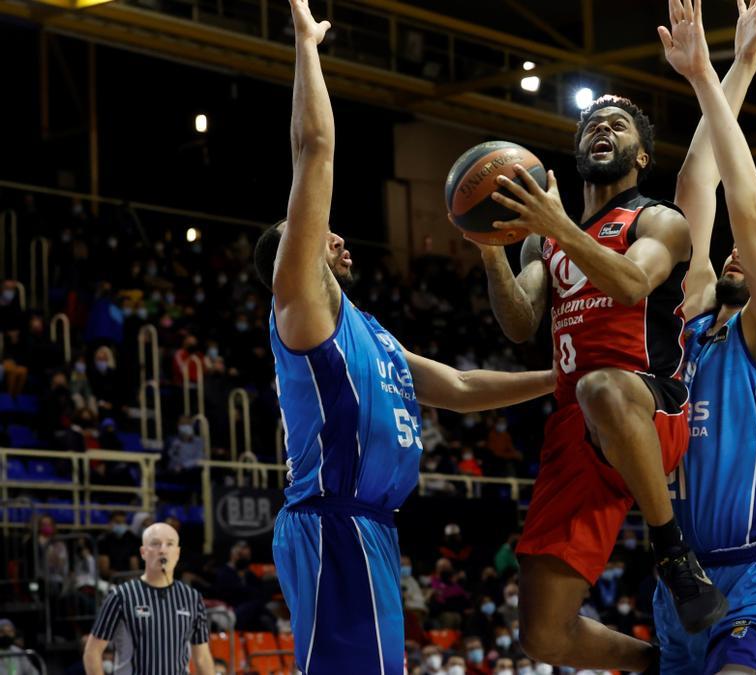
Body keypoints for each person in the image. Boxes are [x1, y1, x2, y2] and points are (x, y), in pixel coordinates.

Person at [254, 2, 555, 672]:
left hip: (371, 526)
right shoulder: (298, 303)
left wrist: (557, 380)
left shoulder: (368, 332)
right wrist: (307, 46)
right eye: (313, 232)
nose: (333, 233)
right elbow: (316, 149)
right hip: (333, 521)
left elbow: (458, 385)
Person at [474, 15, 723, 675]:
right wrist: (491, 251)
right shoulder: (544, 237)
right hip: (573, 431)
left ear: (642, 155)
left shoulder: (657, 220)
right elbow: (522, 321)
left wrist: (558, 222)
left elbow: (634, 281)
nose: (601, 128)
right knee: (542, 634)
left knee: (600, 384)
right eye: (591, 124)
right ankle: (659, 666)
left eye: (618, 124)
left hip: (648, 405)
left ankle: (671, 551)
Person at [655, 1, 756, 673]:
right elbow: (696, 186)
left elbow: (745, 207)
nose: (739, 253)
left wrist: (703, 79)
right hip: (681, 578)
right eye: (740, 249)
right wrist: (732, 67)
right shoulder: (690, 322)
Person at [83, 522, 215, 675]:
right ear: (143, 552)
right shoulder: (121, 595)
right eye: (155, 544)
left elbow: (202, 658)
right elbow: (92, 652)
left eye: (170, 544)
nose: (163, 550)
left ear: (177, 553)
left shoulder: (192, 598)